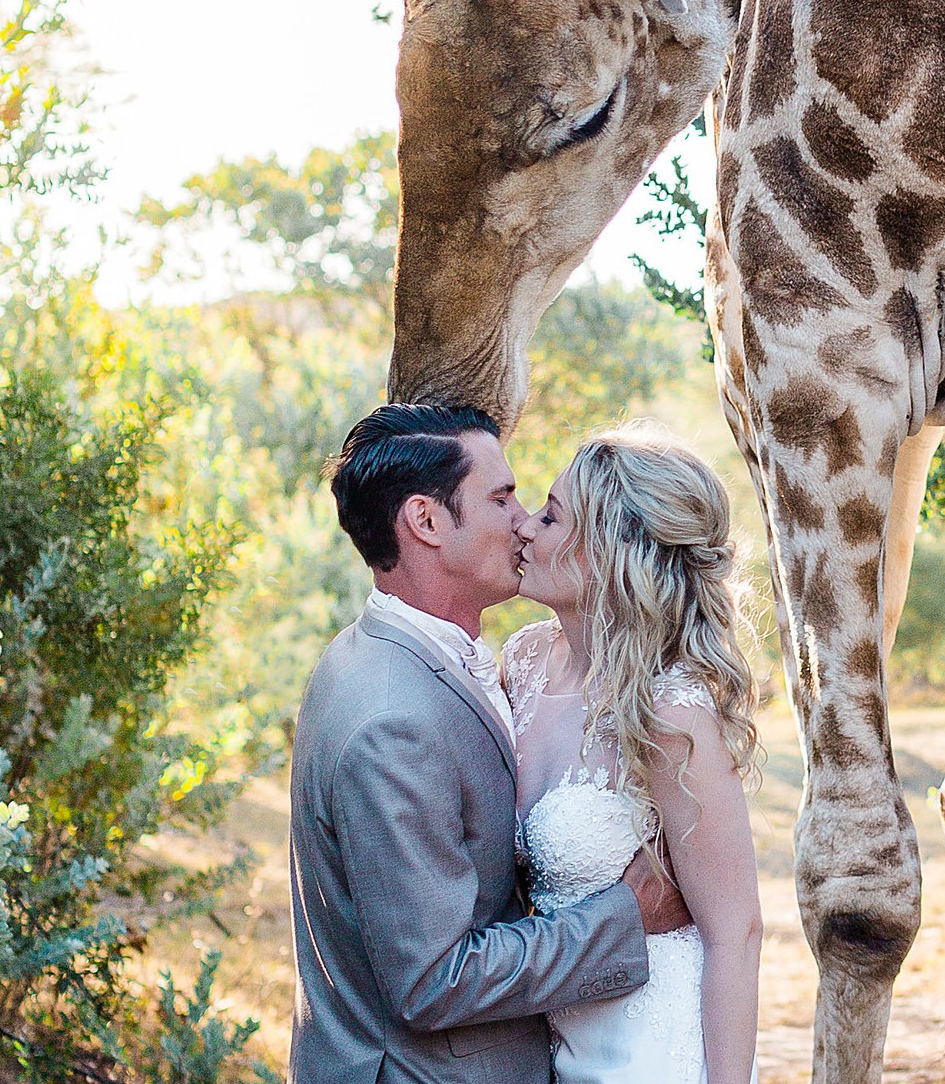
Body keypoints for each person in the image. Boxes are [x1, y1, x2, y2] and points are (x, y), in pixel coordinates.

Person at [289, 402, 691, 1083]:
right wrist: (624, 916)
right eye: (500, 497)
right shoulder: (394, 720)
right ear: (426, 521)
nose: (523, 519)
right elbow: (433, 979)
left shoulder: (410, 657)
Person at [504, 421, 766, 1084]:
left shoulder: (671, 713)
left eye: (551, 515)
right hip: (550, 1040)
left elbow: (735, 932)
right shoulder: (523, 662)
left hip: (654, 1048)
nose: (525, 529)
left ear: (605, 550)